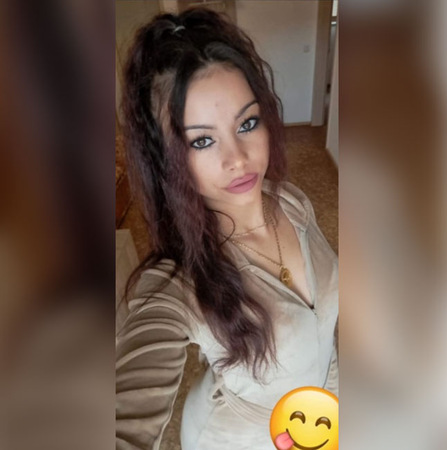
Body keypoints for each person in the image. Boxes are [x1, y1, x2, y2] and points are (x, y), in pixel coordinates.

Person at [116, 8, 338, 450]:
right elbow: (129, 407)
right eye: (201, 141)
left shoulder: (292, 202)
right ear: (165, 158)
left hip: (315, 417)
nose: (237, 158)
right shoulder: (177, 280)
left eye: (247, 123)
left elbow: (322, 335)